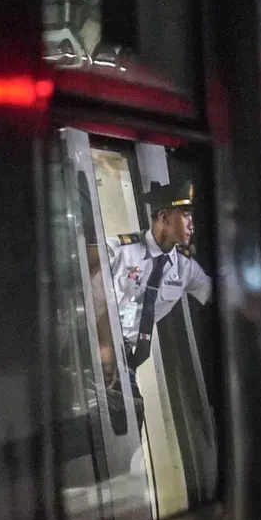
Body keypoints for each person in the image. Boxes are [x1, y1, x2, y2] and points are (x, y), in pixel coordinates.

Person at [107, 179, 213, 436]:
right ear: (164, 217)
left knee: (130, 424)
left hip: (125, 360)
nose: (191, 224)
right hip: (98, 347)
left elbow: (218, 297)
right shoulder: (121, 251)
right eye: (185, 215)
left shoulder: (185, 268)